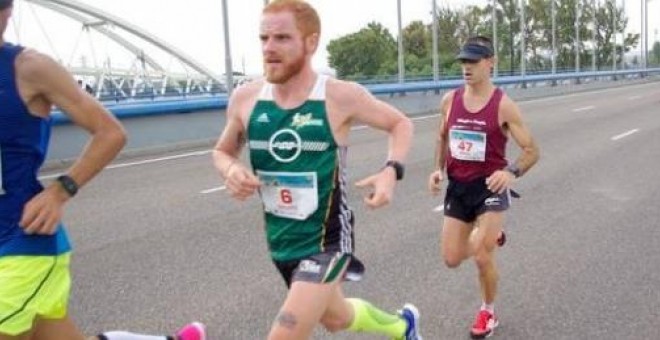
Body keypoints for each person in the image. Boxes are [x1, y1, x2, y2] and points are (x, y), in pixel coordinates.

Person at [212, 1, 421, 339]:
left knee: (286, 333)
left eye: (282, 38)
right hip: (281, 240)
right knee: (336, 319)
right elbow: (222, 151)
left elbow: (400, 124)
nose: (269, 48)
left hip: (328, 239)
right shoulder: (246, 98)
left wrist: (391, 170)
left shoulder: (339, 96)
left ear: (310, 42)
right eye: (264, 38)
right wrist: (230, 169)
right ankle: (403, 327)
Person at [0, 1, 205, 339]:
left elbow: (111, 132)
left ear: (8, 13)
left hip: (22, 242)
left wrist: (60, 190)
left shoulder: (29, 68)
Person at [428, 36, 539, 339]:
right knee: (451, 259)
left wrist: (510, 171)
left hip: (490, 187)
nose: (467, 67)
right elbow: (443, 136)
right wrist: (438, 169)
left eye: (473, 61)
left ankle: (487, 312)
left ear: (491, 62)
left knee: (481, 255)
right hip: (459, 187)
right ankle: (494, 235)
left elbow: (532, 151)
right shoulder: (449, 101)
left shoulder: (503, 105)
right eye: (463, 61)